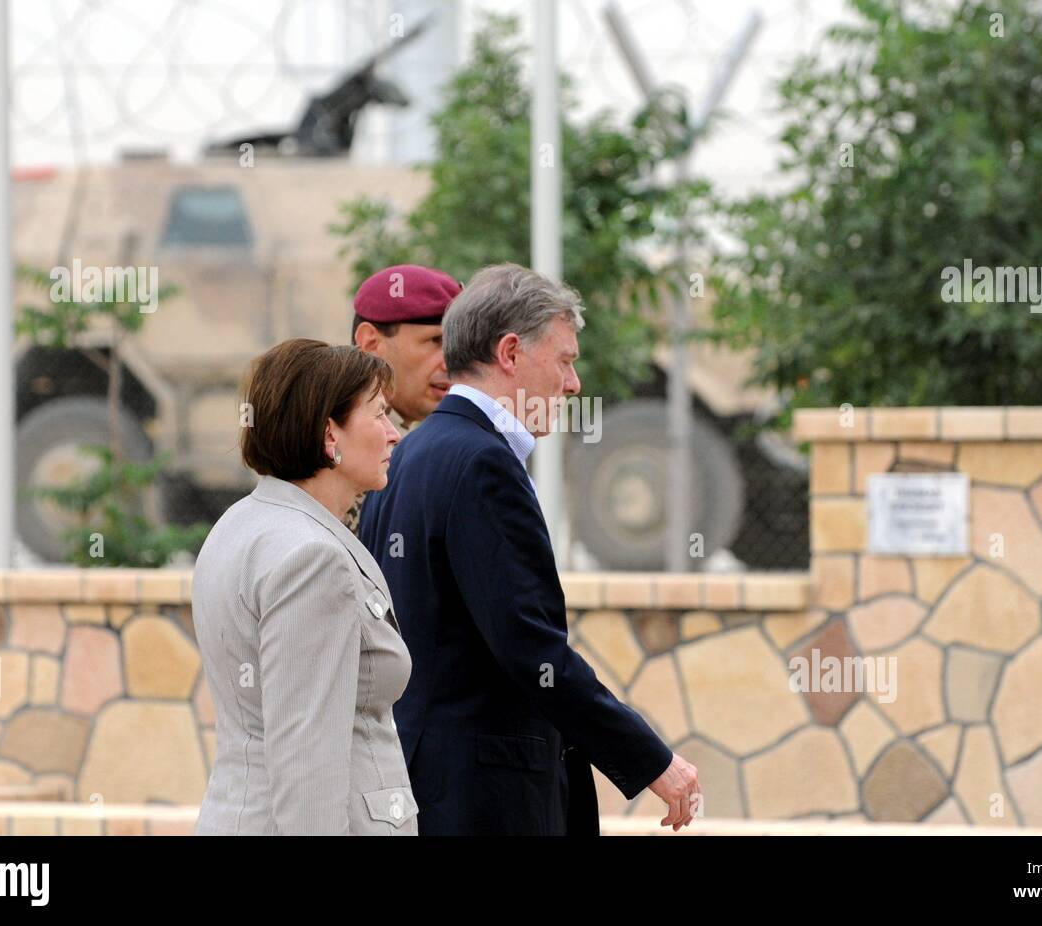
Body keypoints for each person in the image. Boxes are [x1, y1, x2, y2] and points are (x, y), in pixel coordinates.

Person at [359, 263, 701, 835]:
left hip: (422, 786)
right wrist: (653, 762)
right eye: (565, 360)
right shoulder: (484, 463)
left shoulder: (412, 454)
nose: (574, 384)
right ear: (511, 353)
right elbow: (531, 650)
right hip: (482, 801)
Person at [193, 338, 413, 835]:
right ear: (328, 432)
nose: (394, 434)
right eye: (379, 414)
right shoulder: (312, 558)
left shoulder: (241, 523)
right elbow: (307, 758)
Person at [344, 263, 461, 532]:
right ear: (371, 343)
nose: (451, 363)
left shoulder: (412, 441)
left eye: (455, 346)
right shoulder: (336, 445)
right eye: (435, 341)